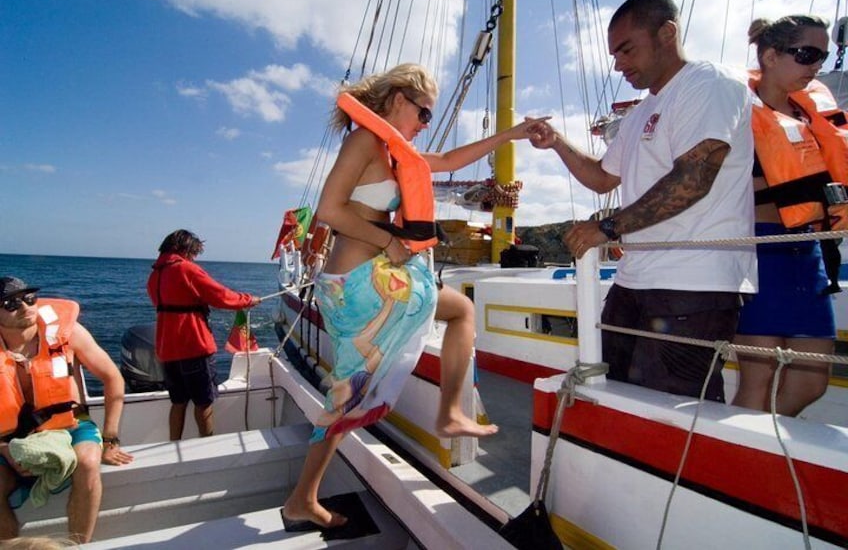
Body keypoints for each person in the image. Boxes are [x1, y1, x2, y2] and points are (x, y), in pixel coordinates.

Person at [281, 63, 547, 530]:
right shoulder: (365, 140)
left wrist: (512, 134)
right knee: (348, 395)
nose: (425, 126)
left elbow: (448, 161)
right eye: (424, 115)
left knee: (455, 314)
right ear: (397, 99)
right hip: (360, 282)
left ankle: (446, 415)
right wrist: (388, 242)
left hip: (374, 277)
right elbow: (328, 208)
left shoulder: (392, 150)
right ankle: (303, 498)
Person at [527, 0, 757, 402]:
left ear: (667, 33)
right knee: (612, 394)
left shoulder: (710, 85)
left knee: (677, 410)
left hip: (694, 282)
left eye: (627, 49)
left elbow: (694, 177)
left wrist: (608, 228)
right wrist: (558, 142)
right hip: (635, 280)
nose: (618, 65)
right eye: (614, 55)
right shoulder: (637, 116)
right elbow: (601, 178)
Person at [732, 15, 848, 416]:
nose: (817, 65)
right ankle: (745, 462)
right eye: (807, 54)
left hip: (810, 253)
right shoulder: (736, 115)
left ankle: (761, 444)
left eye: (823, 55)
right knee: (757, 379)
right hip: (763, 253)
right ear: (769, 55)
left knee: (811, 379)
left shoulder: (812, 114)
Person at [0, 276, 134, 543]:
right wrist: (4, 448)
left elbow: (112, 378)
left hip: (72, 424)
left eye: (29, 298)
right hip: (9, 436)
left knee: (87, 462)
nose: (26, 307)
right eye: (11, 303)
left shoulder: (68, 332)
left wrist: (110, 439)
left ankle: (77, 545)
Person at [146, 230, 260, 441]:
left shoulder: (155, 274)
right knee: (203, 402)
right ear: (185, 249)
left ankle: (174, 443)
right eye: (193, 253)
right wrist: (247, 299)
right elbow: (220, 296)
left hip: (167, 349)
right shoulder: (186, 269)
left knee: (178, 402)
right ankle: (206, 444)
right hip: (193, 346)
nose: (194, 258)